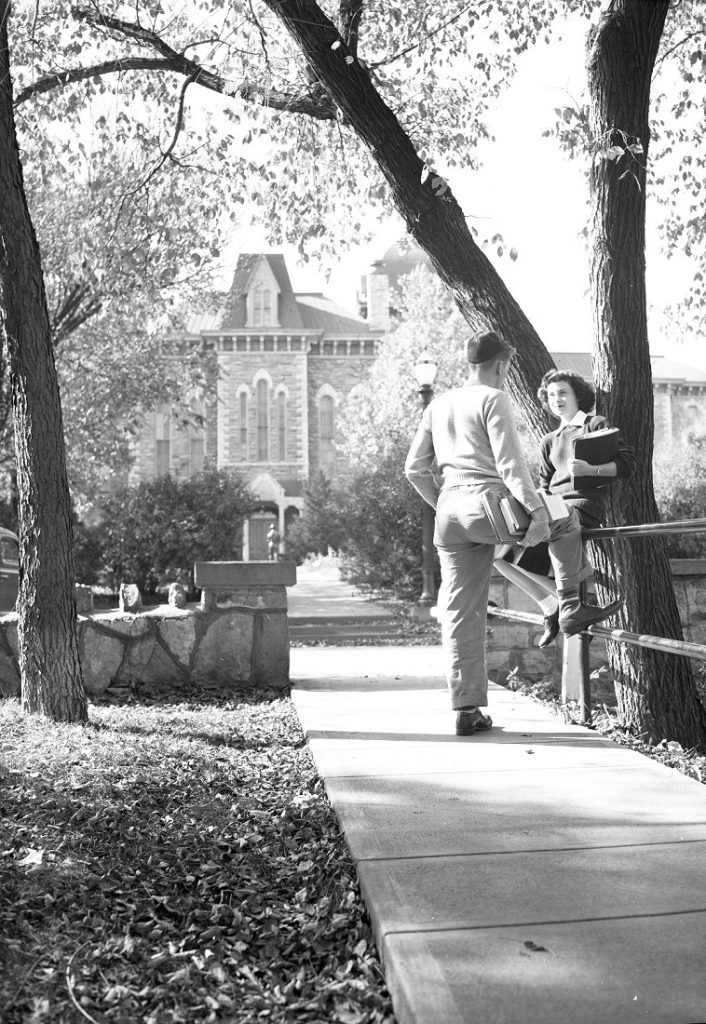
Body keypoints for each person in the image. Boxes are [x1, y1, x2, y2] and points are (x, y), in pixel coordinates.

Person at [404, 330, 622, 737]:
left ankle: (467, 709)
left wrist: (444, 506)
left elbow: (414, 469)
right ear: (502, 365)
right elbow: (510, 466)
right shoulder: (493, 397)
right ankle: (569, 604)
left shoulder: (438, 403)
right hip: (488, 502)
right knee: (564, 517)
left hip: (449, 512)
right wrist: (538, 512)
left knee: (459, 610)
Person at [494, 369, 635, 648]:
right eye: (551, 394)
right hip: (553, 507)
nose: (556, 398)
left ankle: (568, 606)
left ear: (577, 396)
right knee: (497, 549)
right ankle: (554, 606)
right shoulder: (549, 440)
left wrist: (590, 469)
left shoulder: (594, 424)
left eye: (563, 393)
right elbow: (545, 484)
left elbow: (627, 464)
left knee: (555, 518)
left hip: (583, 506)